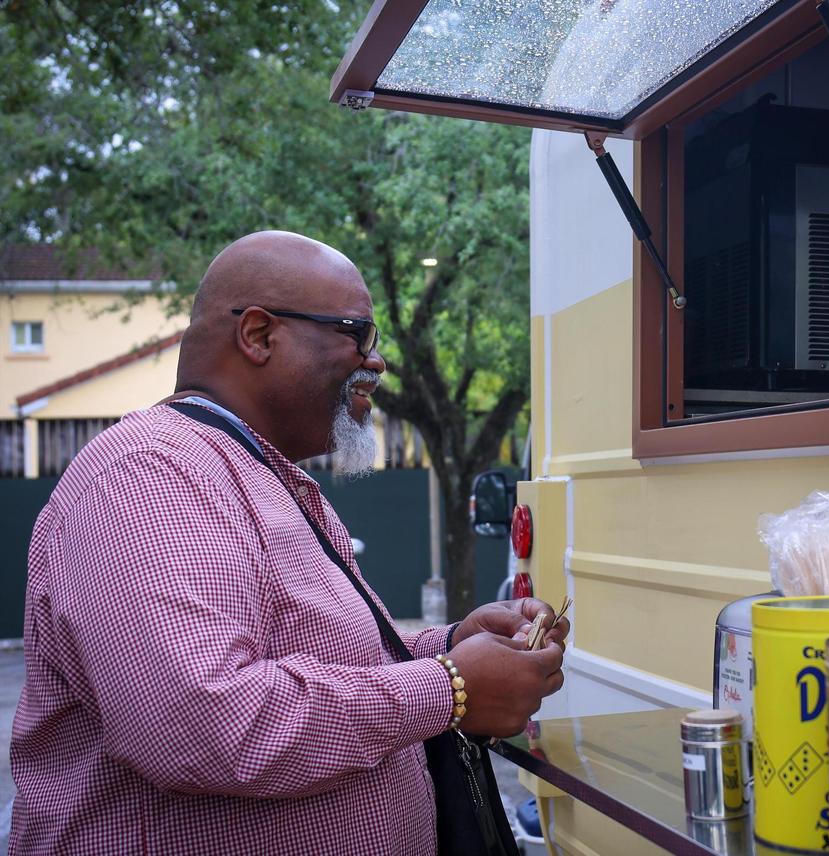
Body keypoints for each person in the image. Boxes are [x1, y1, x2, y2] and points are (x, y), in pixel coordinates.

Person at [10, 231, 567, 854]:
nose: (375, 361)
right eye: (357, 333)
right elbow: (201, 723)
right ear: (259, 336)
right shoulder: (149, 473)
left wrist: (453, 643)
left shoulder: (261, 473)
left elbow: (313, 655)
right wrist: (450, 687)